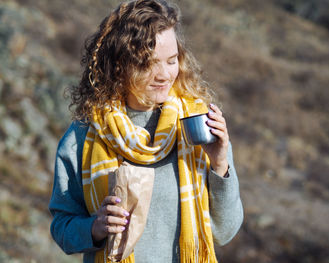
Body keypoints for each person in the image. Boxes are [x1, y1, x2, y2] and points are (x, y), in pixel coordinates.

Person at [49, 0, 243, 262]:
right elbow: (62, 227)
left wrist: (219, 163)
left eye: (172, 60)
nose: (164, 74)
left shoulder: (198, 125)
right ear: (118, 65)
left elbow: (225, 231)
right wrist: (95, 228)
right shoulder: (83, 136)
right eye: (147, 64)